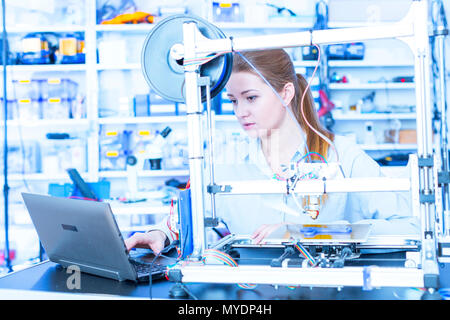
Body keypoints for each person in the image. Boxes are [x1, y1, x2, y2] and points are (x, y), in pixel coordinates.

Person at [125, 49, 419, 254]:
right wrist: (160, 233)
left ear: (286, 93)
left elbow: (409, 226)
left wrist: (311, 234)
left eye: (251, 98)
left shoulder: (342, 155)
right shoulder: (227, 161)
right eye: (233, 101)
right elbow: (187, 220)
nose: (241, 111)